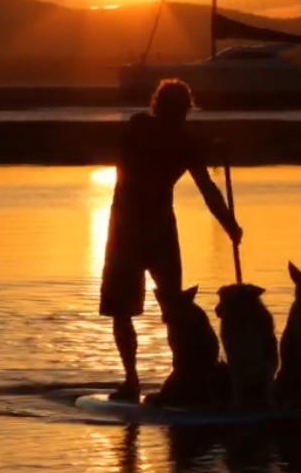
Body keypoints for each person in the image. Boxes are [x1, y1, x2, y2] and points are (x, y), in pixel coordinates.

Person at [99, 78, 242, 402]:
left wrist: (229, 224)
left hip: (147, 229)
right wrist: (209, 146)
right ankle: (133, 381)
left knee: (171, 306)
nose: (180, 116)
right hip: (134, 230)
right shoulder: (148, 129)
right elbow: (172, 144)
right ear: (165, 109)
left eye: (182, 111)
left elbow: (207, 188)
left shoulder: (177, 138)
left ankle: (174, 376)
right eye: (177, 110)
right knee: (127, 308)